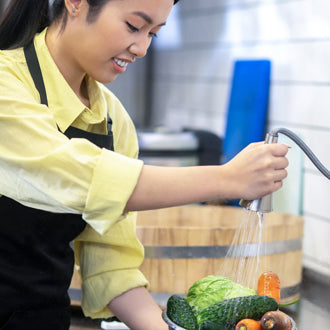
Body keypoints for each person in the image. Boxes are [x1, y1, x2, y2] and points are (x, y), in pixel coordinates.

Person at [0, 0, 289, 329]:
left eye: (153, 33)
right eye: (133, 26)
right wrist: (227, 179)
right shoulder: (6, 83)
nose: (141, 48)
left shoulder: (113, 120)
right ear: (76, 3)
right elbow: (72, 174)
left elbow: (111, 264)